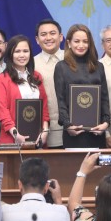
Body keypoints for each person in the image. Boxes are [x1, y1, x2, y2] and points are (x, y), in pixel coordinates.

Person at [54, 24, 110, 148]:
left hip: (97, 131)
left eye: (85, 41)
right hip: (73, 132)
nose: (81, 45)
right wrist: (68, 125)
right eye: (77, 41)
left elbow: (104, 98)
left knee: (98, 166)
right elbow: (61, 100)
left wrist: (106, 122)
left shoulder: (99, 67)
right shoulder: (61, 67)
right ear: (69, 43)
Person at [0, 35, 49, 145]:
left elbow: (44, 107)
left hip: (38, 139)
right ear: (10, 54)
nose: (22, 55)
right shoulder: (2, 79)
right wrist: (15, 134)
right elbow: (2, 111)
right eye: (17, 51)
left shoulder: (37, 77)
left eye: (25, 51)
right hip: (12, 139)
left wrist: (45, 131)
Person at [34, 19, 65, 149]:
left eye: (52, 33)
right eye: (43, 34)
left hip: (75, 129)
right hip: (44, 130)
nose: (48, 38)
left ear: (61, 37)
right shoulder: (30, 64)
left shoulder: (73, 58)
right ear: (37, 39)